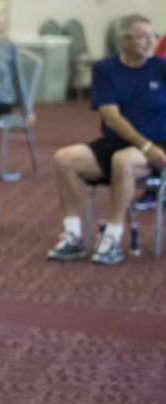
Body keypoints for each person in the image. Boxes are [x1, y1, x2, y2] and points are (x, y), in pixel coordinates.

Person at [46, 14, 166, 265]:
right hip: (120, 142)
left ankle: (112, 236)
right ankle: (73, 235)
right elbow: (111, 118)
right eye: (142, 36)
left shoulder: (160, 68)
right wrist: (142, 145)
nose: (150, 42)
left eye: (152, 36)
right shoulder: (105, 69)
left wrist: (149, 148)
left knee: (123, 161)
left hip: (156, 145)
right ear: (123, 40)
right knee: (64, 158)